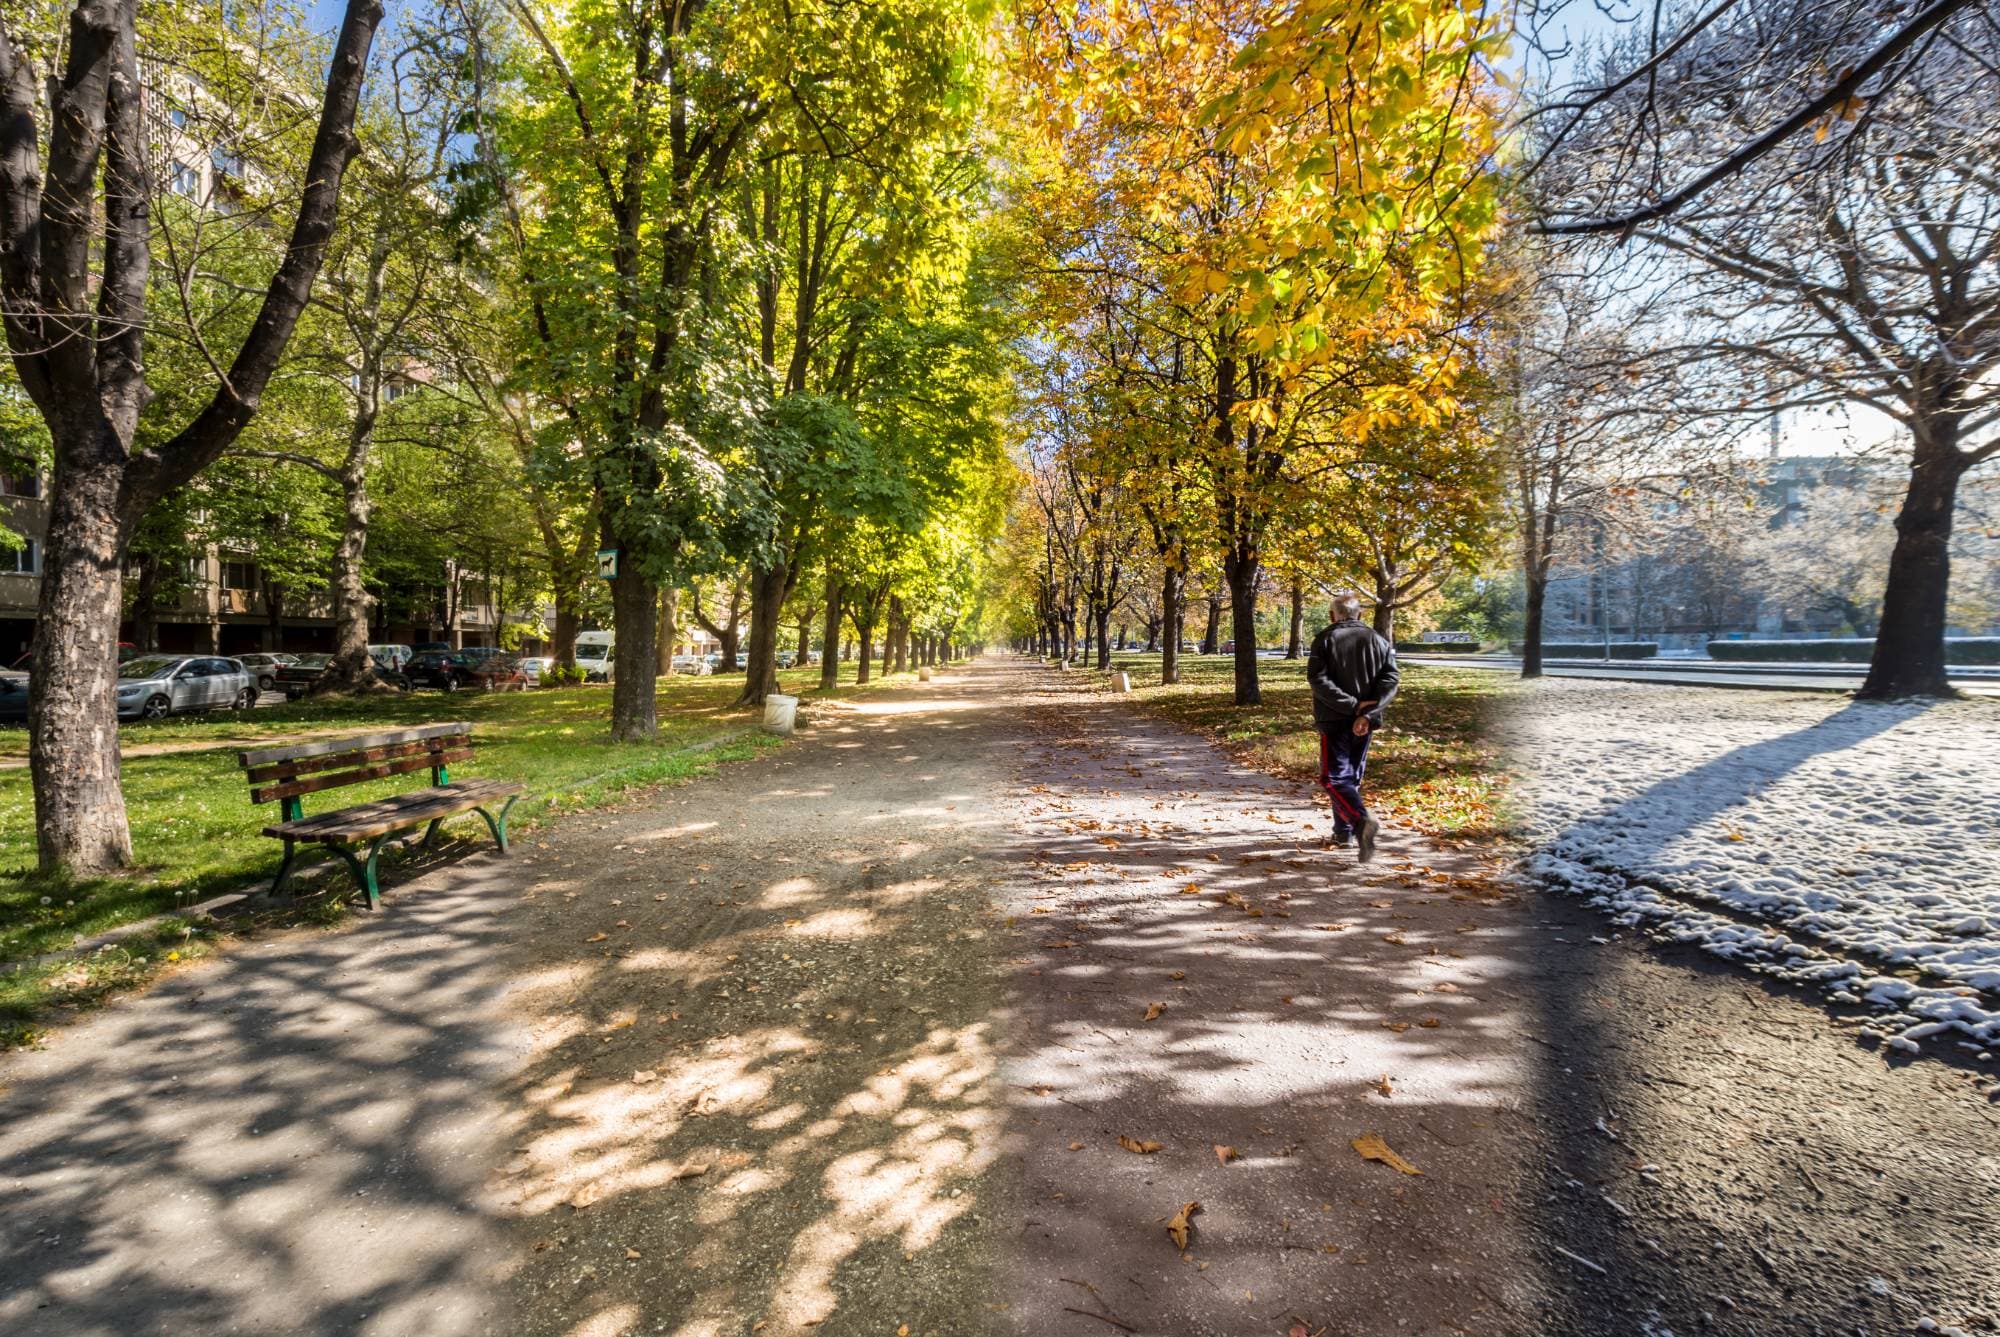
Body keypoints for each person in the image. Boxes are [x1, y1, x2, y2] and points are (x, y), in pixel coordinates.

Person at [1305, 593, 1399, 861]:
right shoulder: (1379, 640)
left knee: (1334, 778)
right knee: (1351, 778)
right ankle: (1342, 831)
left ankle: (1359, 822)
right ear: (1360, 614)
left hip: (1335, 718)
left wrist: (1351, 706)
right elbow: (1391, 679)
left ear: (1332, 615)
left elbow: (1317, 679)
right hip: (1365, 720)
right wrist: (1368, 712)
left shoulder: (1325, 638)